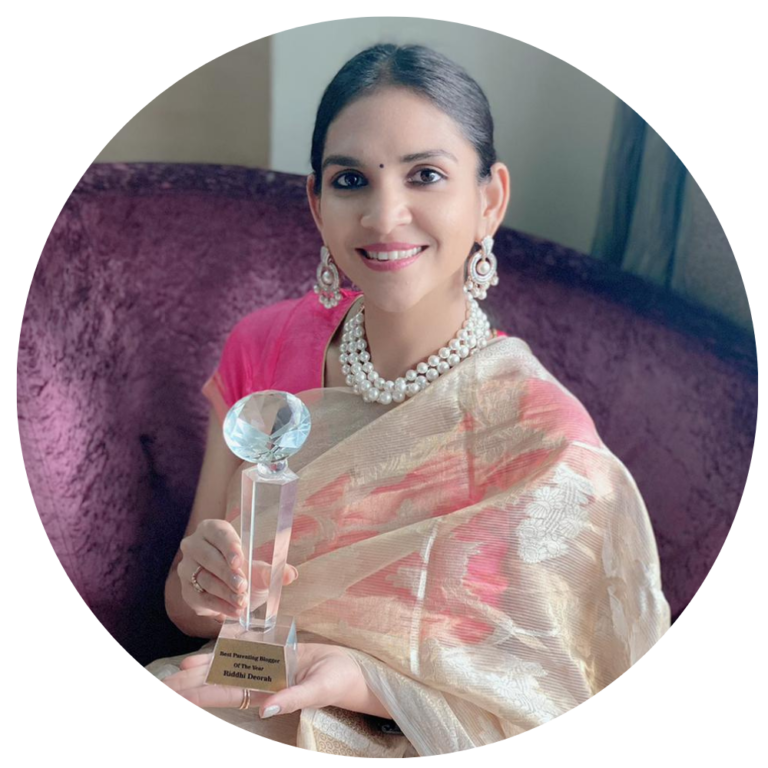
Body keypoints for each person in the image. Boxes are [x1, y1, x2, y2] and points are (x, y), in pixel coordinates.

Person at [144, 43, 671, 756]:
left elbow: (557, 679)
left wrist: (364, 680)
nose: (384, 215)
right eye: (351, 180)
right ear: (317, 204)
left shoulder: (535, 431)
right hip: (250, 690)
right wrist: (201, 584)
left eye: (425, 175)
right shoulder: (264, 348)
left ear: (490, 199)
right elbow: (189, 611)